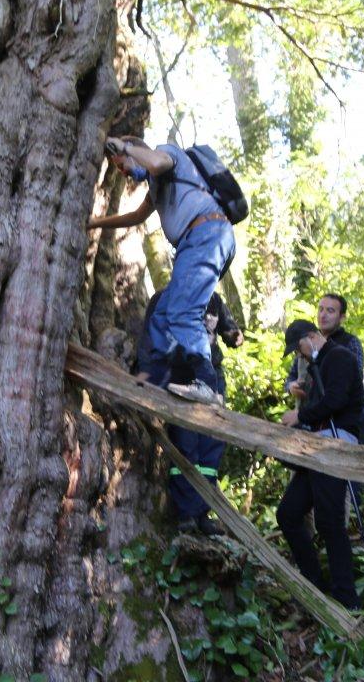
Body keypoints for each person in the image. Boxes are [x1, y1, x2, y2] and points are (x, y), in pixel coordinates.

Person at [89, 136, 236, 406]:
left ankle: (207, 384)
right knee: (163, 311)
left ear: (136, 152)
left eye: (122, 165)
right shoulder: (157, 188)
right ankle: (153, 374)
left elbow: (156, 162)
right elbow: (134, 217)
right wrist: (94, 223)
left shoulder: (166, 154)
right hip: (199, 243)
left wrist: (125, 147)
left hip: (205, 234)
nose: (123, 172)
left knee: (183, 312)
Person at [136, 291, 244, 535]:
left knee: (211, 448)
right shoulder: (165, 297)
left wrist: (234, 336)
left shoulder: (214, 299)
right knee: (186, 446)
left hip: (212, 380)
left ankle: (202, 512)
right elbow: (148, 341)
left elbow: (228, 329)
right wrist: (144, 377)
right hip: (180, 380)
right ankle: (185, 513)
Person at [276, 319, 364, 609]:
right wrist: (306, 397)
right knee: (288, 513)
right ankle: (312, 582)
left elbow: (337, 400)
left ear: (311, 337)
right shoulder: (318, 364)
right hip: (316, 446)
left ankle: (344, 596)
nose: (300, 354)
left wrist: (300, 416)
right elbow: (323, 400)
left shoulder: (341, 357)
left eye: (299, 347)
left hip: (335, 443)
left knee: (329, 521)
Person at [286, 294, 363, 400]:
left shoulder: (350, 343)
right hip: (307, 410)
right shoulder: (306, 340)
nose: (323, 315)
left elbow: (354, 380)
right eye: (320, 309)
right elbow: (292, 375)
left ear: (342, 317)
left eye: (330, 311)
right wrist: (291, 387)